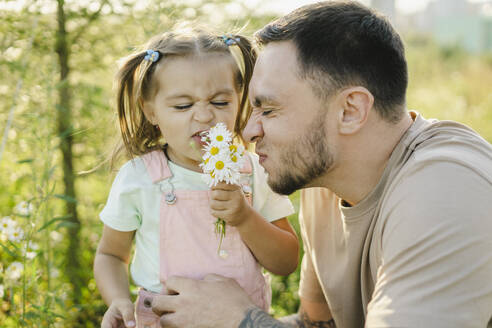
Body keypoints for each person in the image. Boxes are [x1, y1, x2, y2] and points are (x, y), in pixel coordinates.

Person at [149, 1, 492, 327]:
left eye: (268, 110)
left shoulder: (446, 191)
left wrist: (238, 320)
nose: (249, 131)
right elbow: (317, 324)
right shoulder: (327, 181)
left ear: (350, 111)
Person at [93, 26, 299, 328]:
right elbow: (111, 254)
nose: (204, 117)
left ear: (239, 100)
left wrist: (244, 217)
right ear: (151, 112)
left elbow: (286, 261)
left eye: (220, 103)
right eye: (183, 106)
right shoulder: (139, 178)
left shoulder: (252, 170)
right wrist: (119, 300)